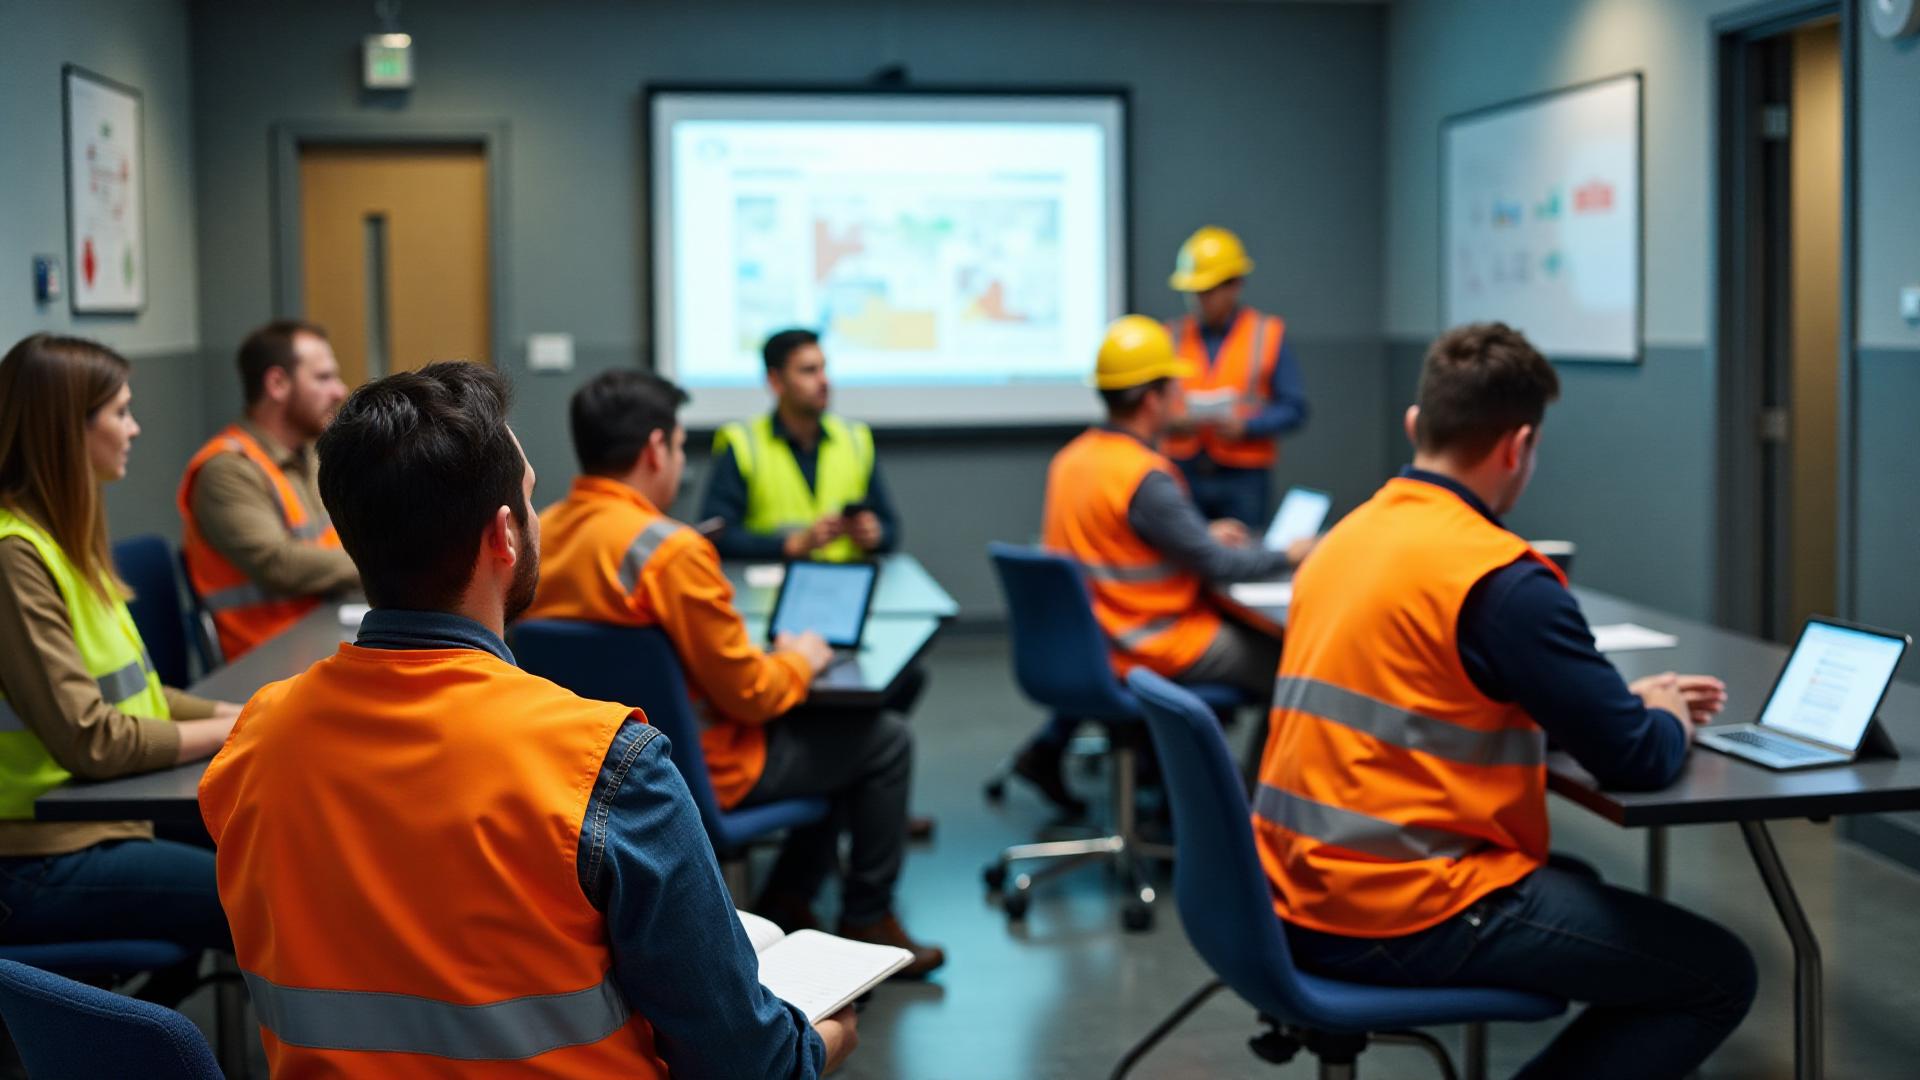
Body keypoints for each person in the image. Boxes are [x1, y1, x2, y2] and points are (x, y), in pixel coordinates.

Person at [199, 362, 854, 1077]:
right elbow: (754, 1066)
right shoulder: (607, 764)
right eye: (534, 499)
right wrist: (825, 1038)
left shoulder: (255, 743)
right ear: (505, 536)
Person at [1258, 323, 1755, 1079]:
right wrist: (1666, 714)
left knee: (1581, 888)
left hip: (1293, 893)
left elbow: (1419, 698)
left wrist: (1614, 705)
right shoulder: (1500, 580)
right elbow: (1638, 759)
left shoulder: (1343, 543)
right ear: (1518, 446)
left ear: (1416, 425)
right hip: (1403, 911)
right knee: (1717, 976)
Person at [526, 369, 945, 977]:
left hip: (580, 772)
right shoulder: (671, 550)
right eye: (677, 445)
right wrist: (801, 656)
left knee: (832, 744)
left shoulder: (543, 532)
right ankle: (866, 917)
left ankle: (788, 898)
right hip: (694, 769)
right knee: (880, 741)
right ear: (654, 449)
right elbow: (750, 694)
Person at [0, 333, 240, 992]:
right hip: (33, 860)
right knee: (268, 895)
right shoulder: (13, 557)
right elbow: (92, 739)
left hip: (98, 825)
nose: (135, 429)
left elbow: (138, 693)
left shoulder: (61, 539)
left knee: (271, 851)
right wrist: (235, 729)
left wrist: (242, 711)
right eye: (121, 412)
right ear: (66, 429)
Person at [1017, 316, 1303, 812]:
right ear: (1152, 399)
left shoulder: (1073, 459)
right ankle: (1253, 818)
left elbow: (1116, 539)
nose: (1182, 396)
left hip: (1094, 638)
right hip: (1152, 642)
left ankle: (1205, 792)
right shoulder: (1146, 476)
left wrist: (1194, 532)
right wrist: (1289, 554)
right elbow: (1216, 563)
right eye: (1175, 385)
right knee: (1291, 664)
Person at [177, 319, 356, 661]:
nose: (339, 390)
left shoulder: (307, 457)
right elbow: (279, 565)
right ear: (277, 384)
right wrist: (388, 563)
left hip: (321, 636)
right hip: (266, 658)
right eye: (323, 378)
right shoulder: (227, 469)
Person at [702, 328, 897, 563]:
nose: (823, 381)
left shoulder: (855, 438)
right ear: (775, 381)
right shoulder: (743, 443)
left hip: (846, 584)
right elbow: (719, 537)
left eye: (824, 368)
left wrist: (875, 534)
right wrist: (790, 544)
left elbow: (891, 529)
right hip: (770, 588)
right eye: (808, 371)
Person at [1163, 226, 1309, 527]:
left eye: (1207, 291)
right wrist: (1171, 421)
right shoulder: (1170, 336)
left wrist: (1247, 426)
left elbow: (1294, 408)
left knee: (1245, 560)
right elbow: (1148, 407)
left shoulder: (1266, 334)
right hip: (1181, 472)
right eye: (1192, 292)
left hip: (1244, 479)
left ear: (1234, 285)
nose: (1198, 300)